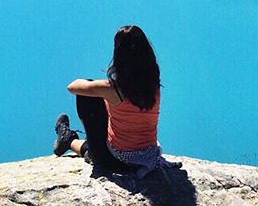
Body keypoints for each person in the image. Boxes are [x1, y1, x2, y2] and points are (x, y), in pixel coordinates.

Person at [52, 24, 180, 177]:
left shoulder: (113, 89)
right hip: (148, 156)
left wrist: (98, 87)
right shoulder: (153, 84)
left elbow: (72, 87)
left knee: (87, 95)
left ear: (119, 54)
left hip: (118, 161)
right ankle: (72, 142)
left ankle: (68, 140)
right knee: (109, 106)